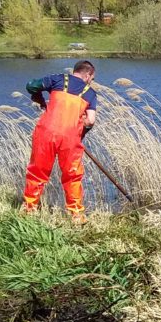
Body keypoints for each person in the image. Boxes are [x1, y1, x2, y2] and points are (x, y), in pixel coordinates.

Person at [21, 60, 98, 224]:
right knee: (72, 175)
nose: (91, 81)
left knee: (37, 172)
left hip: (46, 133)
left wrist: (40, 98)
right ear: (87, 74)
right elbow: (90, 120)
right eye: (92, 78)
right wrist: (80, 134)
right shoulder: (90, 93)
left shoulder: (57, 79)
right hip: (70, 139)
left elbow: (31, 86)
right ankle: (76, 215)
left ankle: (29, 209)